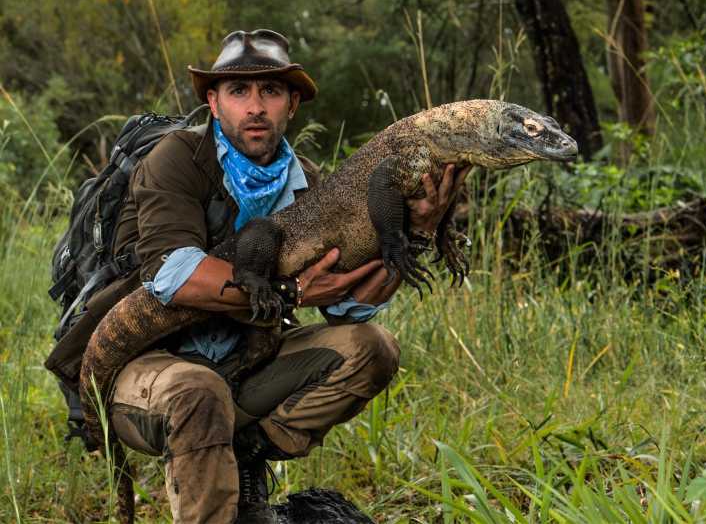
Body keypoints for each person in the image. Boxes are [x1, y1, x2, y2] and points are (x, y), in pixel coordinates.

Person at [100, 29, 471, 523]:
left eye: (271, 91)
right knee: (198, 392)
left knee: (371, 346)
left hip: (244, 361)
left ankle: (244, 454)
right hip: (149, 369)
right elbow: (173, 277)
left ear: (292, 104)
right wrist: (290, 291)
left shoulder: (312, 187)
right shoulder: (177, 159)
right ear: (213, 102)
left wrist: (416, 231)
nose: (256, 106)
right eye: (238, 91)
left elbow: (349, 305)